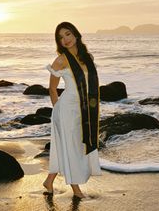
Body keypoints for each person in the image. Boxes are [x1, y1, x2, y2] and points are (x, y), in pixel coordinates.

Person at [43, 22, 101, 199]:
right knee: (71, 148)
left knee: (71, 147)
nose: (65, 39)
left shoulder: (87, 57)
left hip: (83, 110)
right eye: (61, 37)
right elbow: (52, 89)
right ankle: (76, 190)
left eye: (67, 34)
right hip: (66, 110)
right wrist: (58, 112)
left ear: (76, 34)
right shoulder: (61, 60)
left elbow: (92, 86)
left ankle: (49, 181)